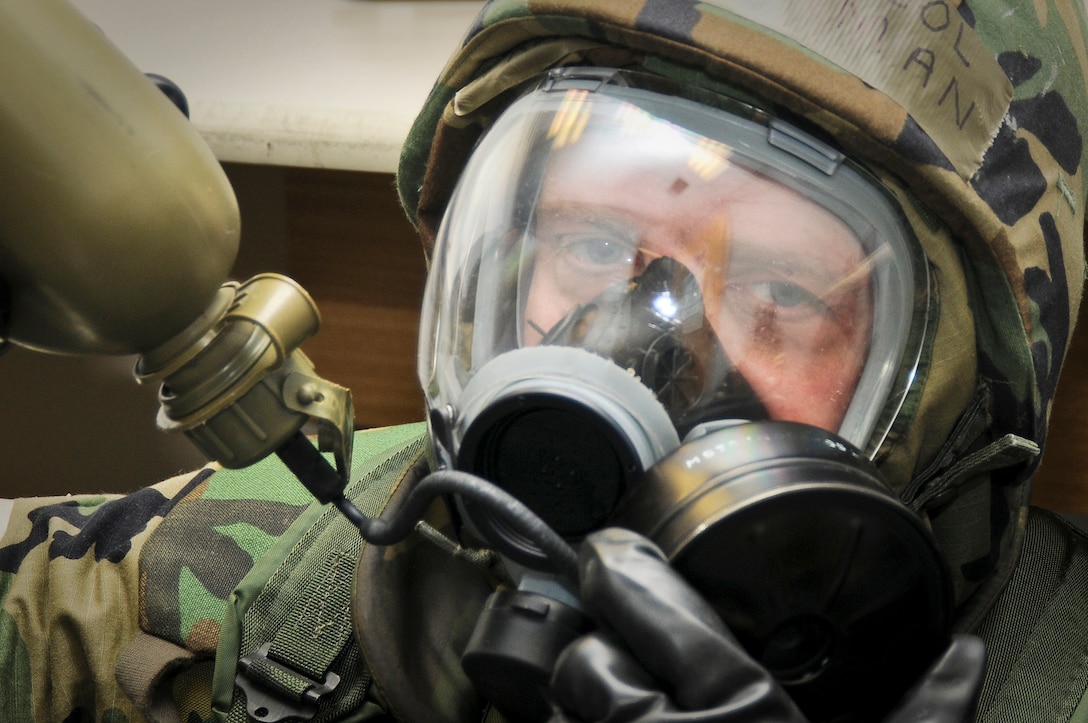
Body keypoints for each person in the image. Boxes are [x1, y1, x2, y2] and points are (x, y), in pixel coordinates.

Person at [3, 1, 1088, 721]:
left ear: (950, 403)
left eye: (781, 294)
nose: (646, 347)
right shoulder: (224, 576)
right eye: (591, 246)